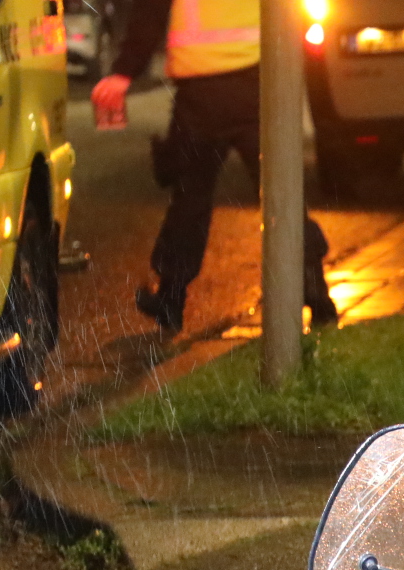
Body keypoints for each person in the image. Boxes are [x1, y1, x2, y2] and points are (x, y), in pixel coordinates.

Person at [90, 0, 338, 334]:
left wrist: (125, 70)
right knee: (281, 192)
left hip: (202, 89)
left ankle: (171, 298)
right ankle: (314, 289)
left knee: (190, 198)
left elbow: (151, 10)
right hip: (256, 79)